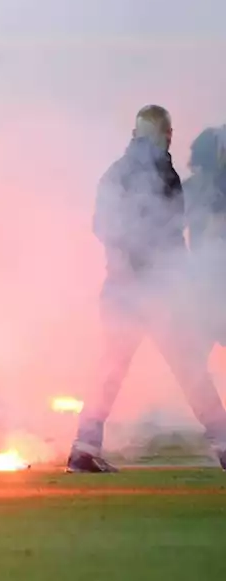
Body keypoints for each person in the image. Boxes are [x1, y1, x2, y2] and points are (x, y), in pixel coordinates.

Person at [68, 106, 227, 473]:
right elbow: (161, 233)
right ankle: (223, 440)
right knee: (189, 368)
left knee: (111, 370)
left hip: (125, 290)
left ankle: (84, 447)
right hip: (151, 289)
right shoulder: (157, 170)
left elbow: (105, 226)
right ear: (165, 134)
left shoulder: (118, 172)